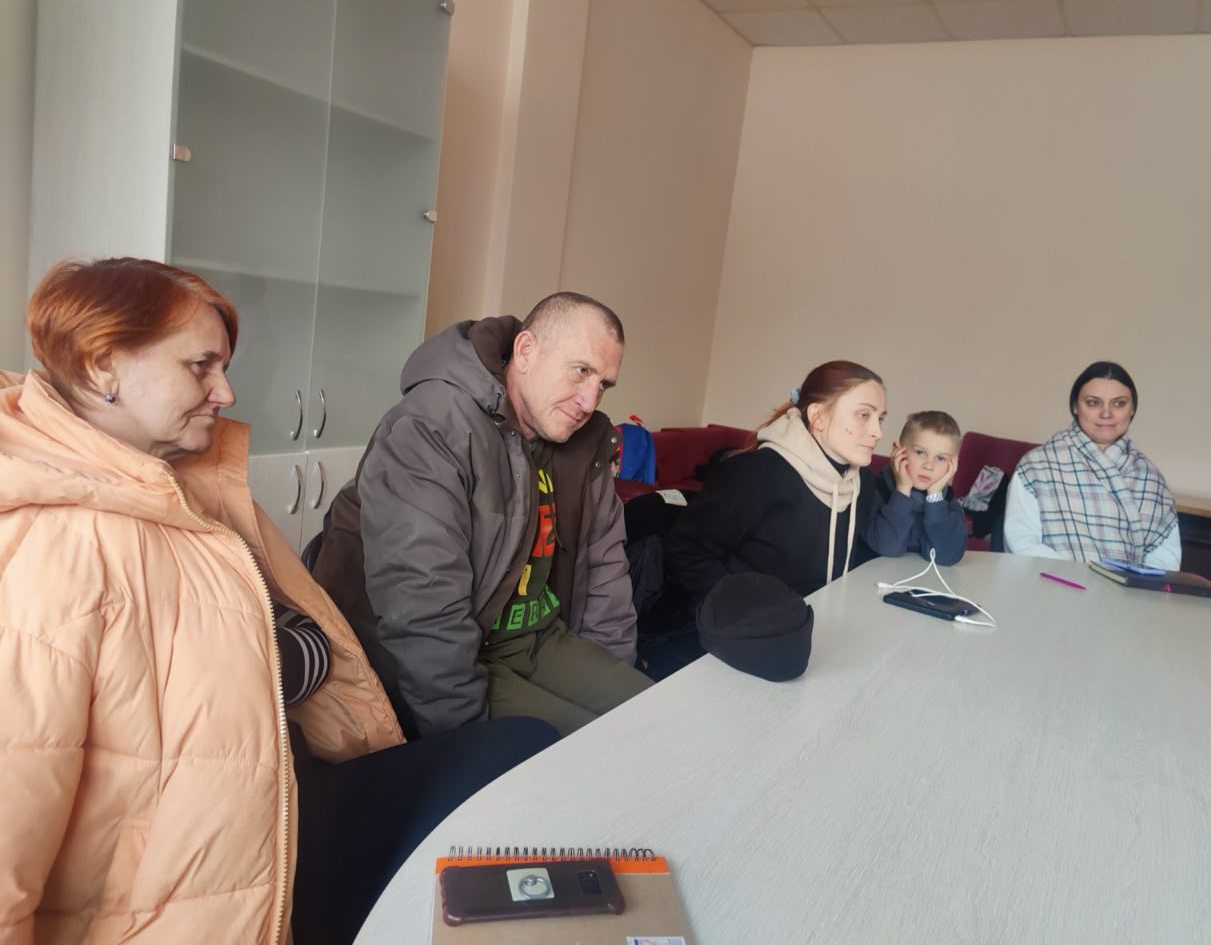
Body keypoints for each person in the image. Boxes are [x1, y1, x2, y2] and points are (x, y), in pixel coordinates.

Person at [0, 258, 557, 944]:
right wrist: (281, 651)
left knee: (522, 749)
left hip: (281, 798)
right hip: (195, 887)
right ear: (100, 367)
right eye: (200, 367)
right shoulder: (48, 549)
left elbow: (288, 640)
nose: (226, 392)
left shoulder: (184, 487)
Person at [313, 294, 652, 738]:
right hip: (444, 652)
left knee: (657, 719)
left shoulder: (585, 443)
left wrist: (614, 671)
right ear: (526, 351)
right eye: (581, 371)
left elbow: (605, 567)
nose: (590, 401)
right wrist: (466, 740)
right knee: (593, 752)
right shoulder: (432, 425)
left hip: (536, 637)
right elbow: (422, 608)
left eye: (603, 384)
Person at [664, 361, 887, 601]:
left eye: (880, 419)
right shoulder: (757, 473)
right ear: (818, 416)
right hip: (746, 619)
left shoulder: (862, 483)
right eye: (864, 415)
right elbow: (685, 552)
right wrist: (749, 612)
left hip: (822, 616)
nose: (877, 432)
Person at [1004, 360, 1180, 570]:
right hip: (1055, 583)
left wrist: (1133, 583)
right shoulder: (1037, 466)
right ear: (1075, 406)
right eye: (1093, 403)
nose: (1106, 413)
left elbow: (1165, 558)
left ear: (1132, 409)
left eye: (1119, 403)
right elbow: (1021, 542)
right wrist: (1082, 578)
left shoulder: (1151, 477)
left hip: (1128, 589)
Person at [861, 410, 968, 565]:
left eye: (940, 458)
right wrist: (903, 489)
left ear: (953, 464)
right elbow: (887, 548)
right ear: (898, 451)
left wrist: (935, 497)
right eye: (920, 452)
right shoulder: (874, 491)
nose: (929, 465)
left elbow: (947, 557)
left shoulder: (949, 504)